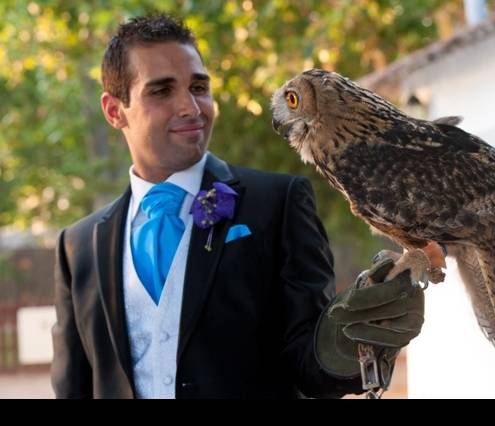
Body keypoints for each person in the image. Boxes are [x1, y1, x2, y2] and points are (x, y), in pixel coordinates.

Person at [51, 14, 426, 399]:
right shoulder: (77, 246)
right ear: (115, 111)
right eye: (161, 91)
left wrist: (348, 345)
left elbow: (311, 368)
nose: (191, 107)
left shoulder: (277, 204)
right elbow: (72, 388)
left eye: (198, 87)